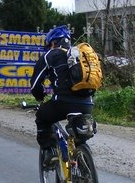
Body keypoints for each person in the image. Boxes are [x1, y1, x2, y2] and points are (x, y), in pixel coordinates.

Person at [30, 25, 94, 166]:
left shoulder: (50, 55)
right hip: (87, 103)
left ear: (53, 43)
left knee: (42, 117)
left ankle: (49, 152)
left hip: (63, 103)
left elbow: (35, 84)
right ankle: (82, 157)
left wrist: (40, 97)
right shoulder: (81, 54)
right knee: (79, 132)